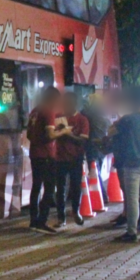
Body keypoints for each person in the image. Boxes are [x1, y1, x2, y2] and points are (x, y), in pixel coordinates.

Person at [109, 86, 140, 242]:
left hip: (133, 163)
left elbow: (111, 132)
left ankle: (132, 232)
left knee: (132, 198)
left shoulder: (128, 119)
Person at [26, 87, 72, 235]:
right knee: (49, 189)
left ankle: (33, 220)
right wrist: (63, 131)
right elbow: (51, 135)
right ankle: (42, 221)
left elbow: (29, 134)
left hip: (34, 154)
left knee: (36, 187)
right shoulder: (49, 112)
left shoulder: (35, 111)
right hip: (46, 156)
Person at [53, 92, 89, 227]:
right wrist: (58, 132)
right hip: (60, 157)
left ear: (74, 103)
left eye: (69, 102)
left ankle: (76, 211)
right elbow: (53, 134)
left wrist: (68, 134)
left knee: (75, 187)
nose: (66, 105)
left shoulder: (82, 120)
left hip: (76, 158)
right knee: (60, 188)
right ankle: (61, 218)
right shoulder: (58, 118)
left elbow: (83, 141)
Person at [82, 92, 110, 201]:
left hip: (92, 145)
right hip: (102, 146)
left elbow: (82, 112)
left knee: (94, 170)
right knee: (97, 169)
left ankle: (102, 196)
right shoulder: (103, 113)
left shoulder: (89, 113)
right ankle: (101, 195)